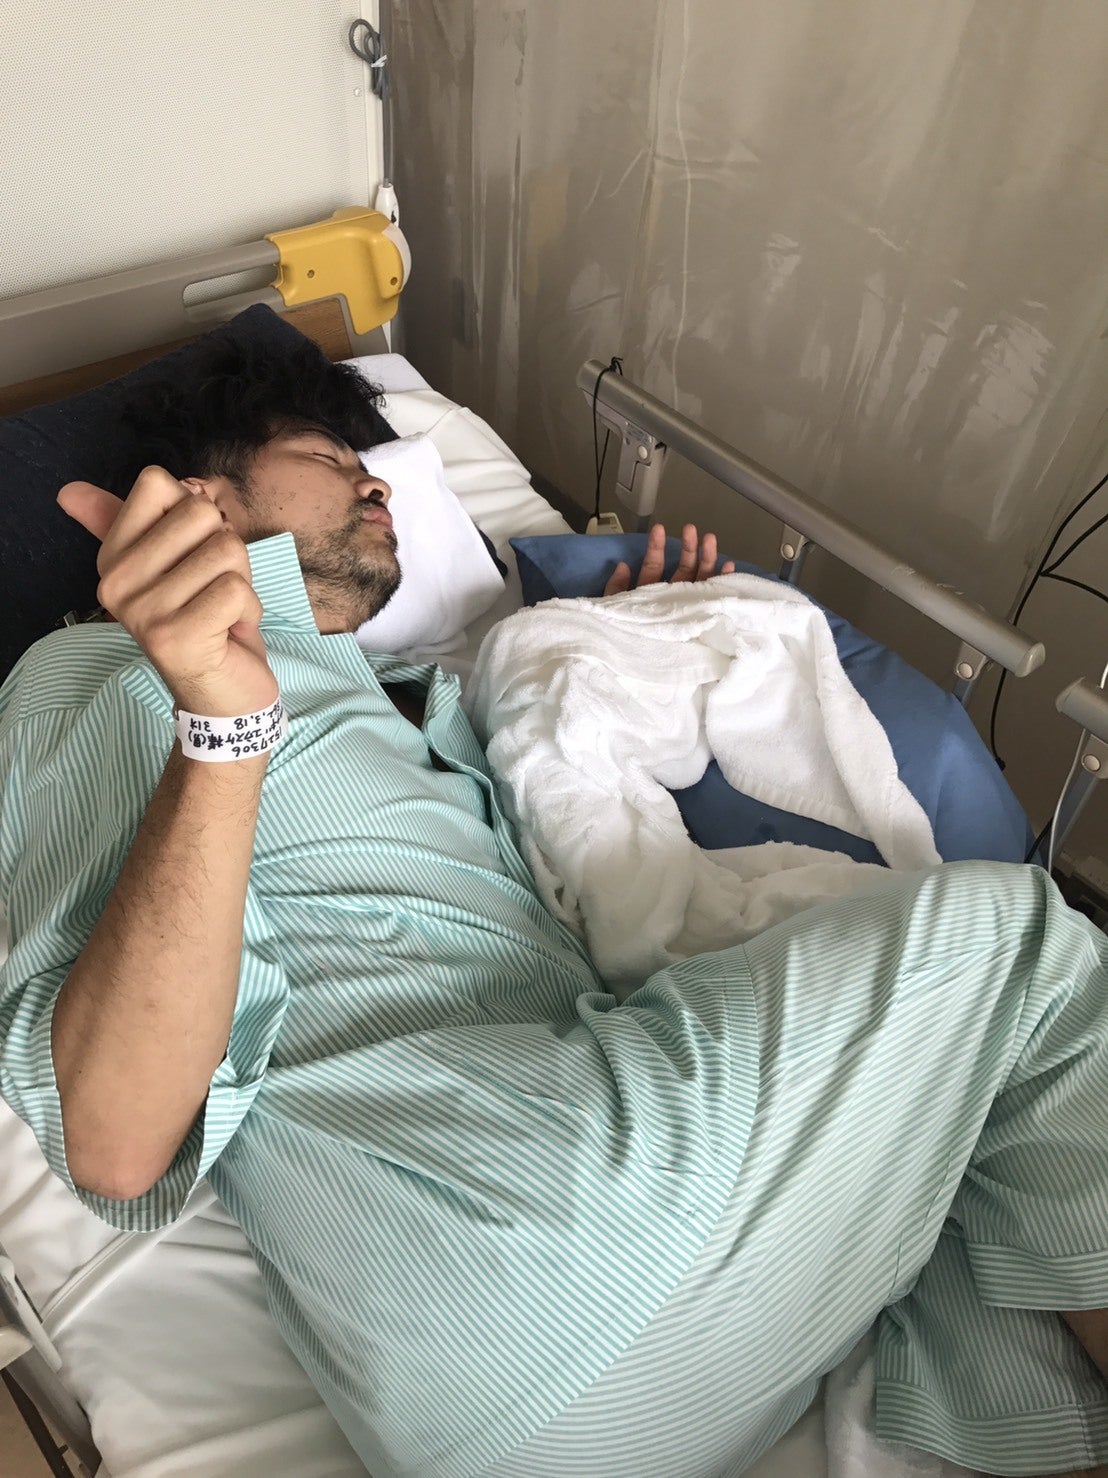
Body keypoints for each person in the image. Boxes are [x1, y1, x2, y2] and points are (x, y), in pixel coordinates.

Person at [1, 333, 1107, 1478]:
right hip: (527, 1225)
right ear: (201, 499)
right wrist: (221, 723)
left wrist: (620, 639)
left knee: (986, 1198)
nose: (379, 484)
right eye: (329, 457)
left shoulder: (418, 703)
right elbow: (116, 1143)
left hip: (538, 1403)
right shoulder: (94, 677)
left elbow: (578, 814)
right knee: (1026, 943)